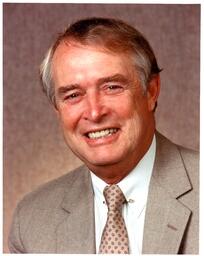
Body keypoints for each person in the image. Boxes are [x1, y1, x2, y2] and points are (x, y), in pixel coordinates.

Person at [8, 17, 199, 254]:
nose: (95, 112)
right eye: (73, 95)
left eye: (112, 87)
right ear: (57, 109)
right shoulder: (31, 221)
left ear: (151, 91)